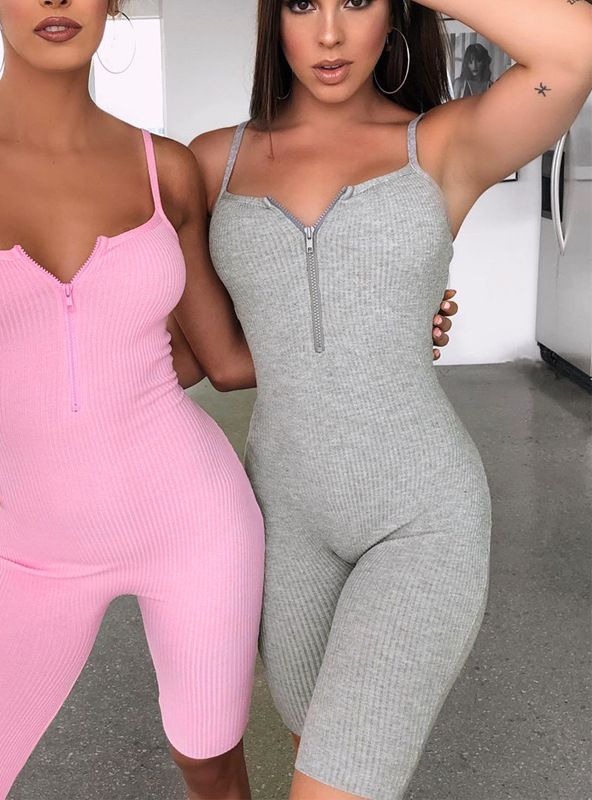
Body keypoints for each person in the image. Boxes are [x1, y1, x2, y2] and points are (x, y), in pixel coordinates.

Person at [0, 1, 458, 798]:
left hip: (196, 522)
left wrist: (386, 324)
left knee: (209, 762)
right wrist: (31, 423)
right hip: (36, 546)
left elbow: (223, 360)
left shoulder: (165, 168)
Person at [184, 1, 591, 799]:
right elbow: (212, 357)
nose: (330, 33)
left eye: (358, 0)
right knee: (320, 752)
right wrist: (31, 428)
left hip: (420, 516)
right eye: (303, 3)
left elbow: (575, 50)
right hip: (283, 520)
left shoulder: (440, 144)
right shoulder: (212, 162)